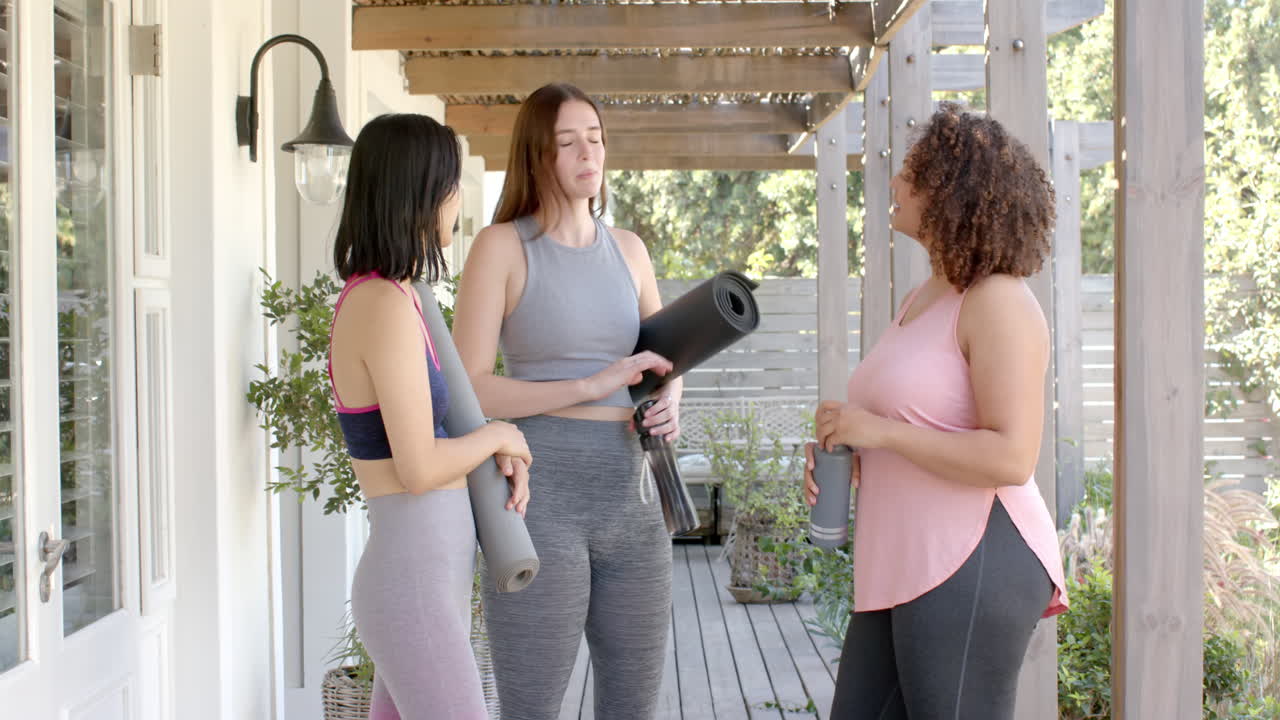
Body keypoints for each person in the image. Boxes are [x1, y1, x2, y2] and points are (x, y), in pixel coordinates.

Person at [805, 103, 1069, 720]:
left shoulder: (999, 301)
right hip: (901, 562)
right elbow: (920, 425)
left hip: (974, 556)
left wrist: (883, 433)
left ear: (955, 195)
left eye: (913, 175)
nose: (895, 185)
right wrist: (853, 451)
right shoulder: (927, 294)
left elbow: (1011, 454)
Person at [451, 83, 679, 720]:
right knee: (531, 709)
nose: (590, 153)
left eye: (597, 138)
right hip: (539, 501)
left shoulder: (629, 250)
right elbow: (468, 386)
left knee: (632, 708)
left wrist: (671, 399)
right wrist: (589, 385)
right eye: (568, 142)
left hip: (632, 504)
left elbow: (666, 359)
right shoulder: (501, 247)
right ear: (537, 156)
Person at [328, 113, 531, 720]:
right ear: (418, 191)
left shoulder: (400, 298)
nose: (456, 201)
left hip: (423, 586)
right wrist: (500, 432)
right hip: (412, 586)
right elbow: (416, 467)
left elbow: (429, 445)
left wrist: (490, 451)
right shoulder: (380, 304)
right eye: (450, 185)